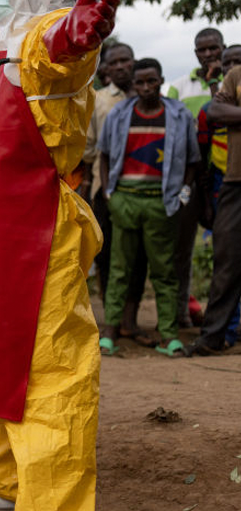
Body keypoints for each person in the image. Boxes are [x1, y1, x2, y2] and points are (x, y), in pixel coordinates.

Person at [0, 0, 117, 510]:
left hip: (38, 230)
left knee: (51, 367)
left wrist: (80, 30)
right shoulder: (5, 46)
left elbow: (62, 48)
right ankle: (10, 482)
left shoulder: (45, 33)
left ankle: (56, 503)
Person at [98, 58, 199, 357]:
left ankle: (169, 335)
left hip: (161, 201)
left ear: (161, 80)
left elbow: (193, 163)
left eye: (151, 81)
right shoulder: (119, 114)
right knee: (119, 269)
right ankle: (111, 331)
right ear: (133, 84)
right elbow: (103, 155)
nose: (145, 88)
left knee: (164, 270)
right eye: (139, 82)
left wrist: (182, 194)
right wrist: (108, 193)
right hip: (125, 199)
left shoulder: (178, 115)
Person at [82, 43, 149, 341]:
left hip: (145, 189)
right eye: (114, 62)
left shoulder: (148, 97)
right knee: (107, 255)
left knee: (139, 256)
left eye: (126, 60)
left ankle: (129, 320)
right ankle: (111, 317)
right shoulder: (97, 100)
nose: (121, 66)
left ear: (134, 63)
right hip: (105, 189)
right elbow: (88, 148)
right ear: (105, 68)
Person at [166, 28, 224, 328]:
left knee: (226, 250)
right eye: (201, 50)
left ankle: (223, 317)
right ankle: (181, 313)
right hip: (189, 178)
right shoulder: (178, 87)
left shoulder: (232, 83)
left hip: (225, 178)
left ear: (223, 49)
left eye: (213, 48)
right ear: (195, 53)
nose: (208, 54)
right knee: (183, 247)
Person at [187, 52, 241, 356]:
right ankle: (213, 336)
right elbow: (216, 110)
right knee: (227, 259)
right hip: (235, 179)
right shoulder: (236, 76)